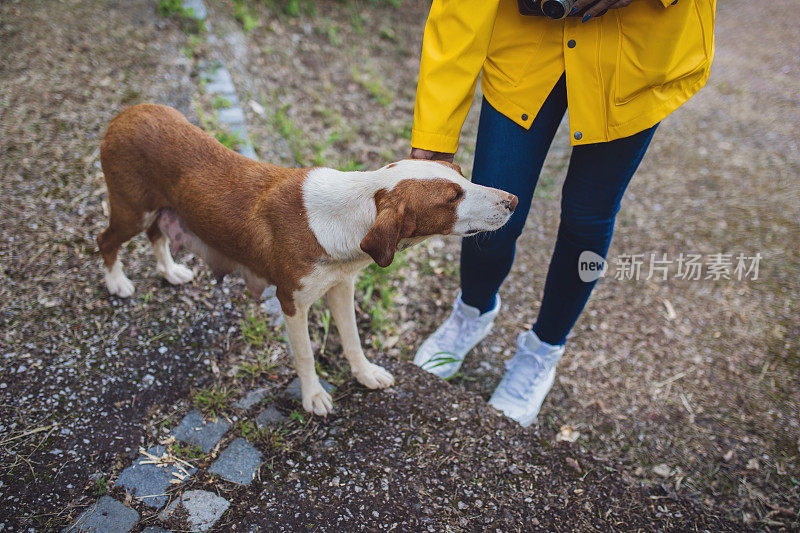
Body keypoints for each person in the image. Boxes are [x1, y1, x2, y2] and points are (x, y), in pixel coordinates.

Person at [410, 0, 716, 426]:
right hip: (528, 46)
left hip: (634, 58)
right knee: (489, 212)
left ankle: (543, 349)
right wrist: (435, 132)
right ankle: (472, 313)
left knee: (587, 219)